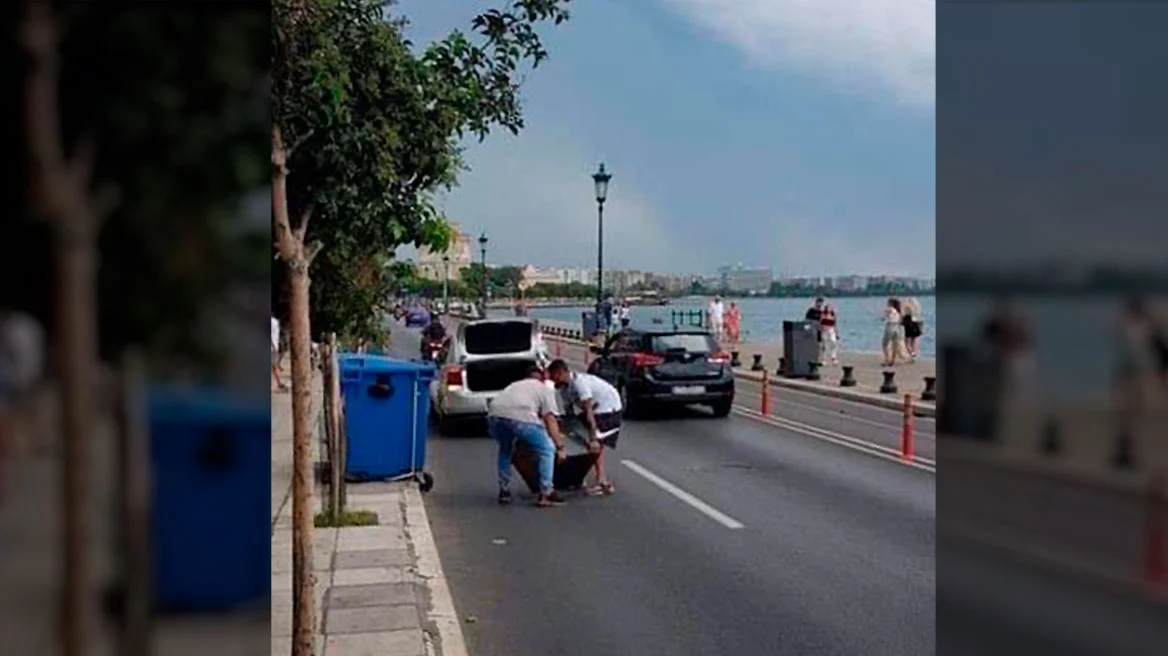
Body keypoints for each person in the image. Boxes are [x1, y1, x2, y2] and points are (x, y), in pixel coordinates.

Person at [488, 366, 571, 507]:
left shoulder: (514, 385)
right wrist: (560, 446)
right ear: (542, 378)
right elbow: (550, 418)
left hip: (494, 416)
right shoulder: (544, 389)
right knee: (547, 449)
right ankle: (546, 492)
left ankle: (504, 490)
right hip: (520, 418)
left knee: (505, 449)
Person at [547, 359, 623, 496]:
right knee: (580, 439)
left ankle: (602, 480)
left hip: (607, 407)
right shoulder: (563, 389)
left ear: (561, 373)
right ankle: (579, 476)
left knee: (596, 444)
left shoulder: (580, 383)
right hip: (594, 409)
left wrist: (593, 438)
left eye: (554, 377)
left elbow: (589, 412)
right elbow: (570, 415)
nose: (552, 381)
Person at [881, 298, 903, 367]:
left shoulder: (889, 309)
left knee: (884, 344)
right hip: (897, 328)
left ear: (891, 303)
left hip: (890, 326)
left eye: (888, 302)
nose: (887, 304)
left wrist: (883, 316)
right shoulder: (899, 311)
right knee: (895, 345)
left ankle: (887, 359)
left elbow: (884, 318)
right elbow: (901, 321)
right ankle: (892, 360)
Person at [271, 316, 288, 391]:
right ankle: (279, 383)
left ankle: (279, 383)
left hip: (273, 347)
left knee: (274, 366)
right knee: (274, 366)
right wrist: (274, 346)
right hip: (272, 348)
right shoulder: (274, 322)